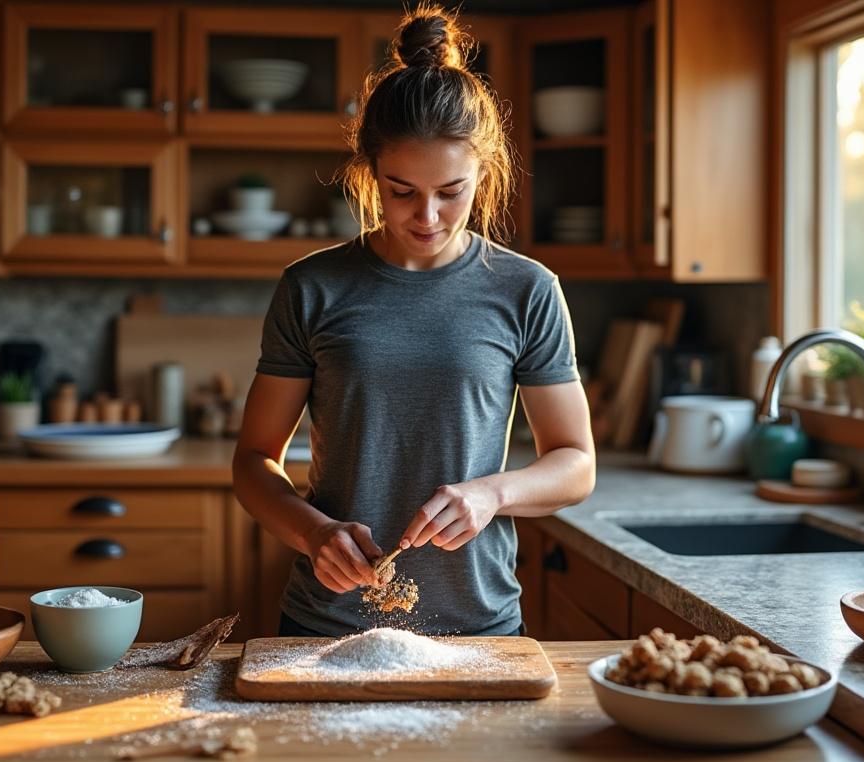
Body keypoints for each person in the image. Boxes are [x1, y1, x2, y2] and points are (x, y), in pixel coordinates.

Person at [231, 5, 596, 638]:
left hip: (479, 625)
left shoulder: (527, 290)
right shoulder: (312, 287)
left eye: (450, 191)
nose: (427, 215)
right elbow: (254, 460)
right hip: (327, 623)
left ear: (482, 173)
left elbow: (576, 462)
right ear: (371, 174)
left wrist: (493, 494)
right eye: (402, 191)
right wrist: (313, 532)